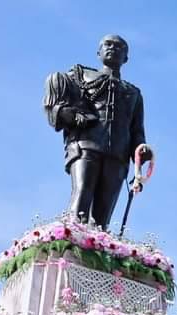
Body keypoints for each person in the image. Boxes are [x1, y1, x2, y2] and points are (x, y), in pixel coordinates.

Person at [43, 34, 151, 227]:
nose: (113, 48)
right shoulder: (80, 75)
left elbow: (136, 131)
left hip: (118, 155)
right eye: (107, 44)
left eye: (119, 47)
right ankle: (71, 240)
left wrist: (141, 154)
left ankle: (97, 249)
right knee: (82, 193)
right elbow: (56, 104)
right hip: (86, 145)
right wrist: (69, 114)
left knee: (104, 213)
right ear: (98, 52)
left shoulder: (134, 93)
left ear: (126, 58)